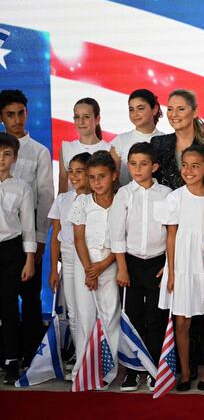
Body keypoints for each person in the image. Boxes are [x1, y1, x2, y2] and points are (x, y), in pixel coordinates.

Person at [108, 142, 171, 392]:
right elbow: (117, 234)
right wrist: (122, 268)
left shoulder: (166, 194)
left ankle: (155, 368)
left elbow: (171, 233)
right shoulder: (124, 194)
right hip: (131, 264)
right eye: (132, 163)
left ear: (154, 167)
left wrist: (168, 265)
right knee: (132, 317)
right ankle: (133, 370)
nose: (137, 168)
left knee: (156, 318)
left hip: (158, 264)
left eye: (143, 164)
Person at [1, 89, 54, 366]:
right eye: (10, 114)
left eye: (21, 113)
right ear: (1, 117)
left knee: (30, 294)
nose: (17, 119)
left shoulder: (39, 152)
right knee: (4, 298)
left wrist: (41, 238)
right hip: (4, 232)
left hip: (29, 233)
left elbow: (46, 195)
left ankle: (32, 353)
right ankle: (8, 351)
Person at [156, 146, 204, 392]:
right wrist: (171, 270)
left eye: (195, 166)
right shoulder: (174, 197)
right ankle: (185, 371)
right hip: (182, 264)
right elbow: (171, 236)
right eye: (185, 165)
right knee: (182, 322)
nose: (189, 171)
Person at [68, 151, 121, 388]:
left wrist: (103, 265)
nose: (97, 182)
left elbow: (123, 240)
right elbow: (79, 238)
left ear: (114, 176)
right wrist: (90, 269)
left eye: (102, 176)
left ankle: (107, 370)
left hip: (110, 265)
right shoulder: (82, 202)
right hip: (85, 265)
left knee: (110, 316)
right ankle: (83, 367)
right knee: (86, 316)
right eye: (92, 177)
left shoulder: (122, 201)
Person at [47, 152, 91, 379]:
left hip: (87, 257)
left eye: (79, 171)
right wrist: (54, 269)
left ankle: (87, 362)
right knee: (72, 311)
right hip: (67, 257)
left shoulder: (94, 198)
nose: (73, 176)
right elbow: (56, 235)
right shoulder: (62, 199)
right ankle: (79, 360)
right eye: (70, 171)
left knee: (86, 310)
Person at [0, 132, 36, 384]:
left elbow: (28, 227)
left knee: (9, 306)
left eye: (7, 154)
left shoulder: (22, 187)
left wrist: (30, 259)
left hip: (11, 251)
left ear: (15, 157)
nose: (1, 159)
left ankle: (12, 359)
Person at [151, 89, 204, 191]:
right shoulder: (158, 143)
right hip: (166, 205)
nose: (174, 114)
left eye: (181, 109)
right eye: (170, 109)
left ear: (195, 112)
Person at [109, 89, 164, 185]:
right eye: (131, 109)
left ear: (154, 109)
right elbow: (111, 180)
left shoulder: (166, 140)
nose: (135, 113)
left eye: (140, 108)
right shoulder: (120, 141)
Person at [59, 98, 110, 193]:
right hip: (72, 206)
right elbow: (62, 189)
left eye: (86, 117)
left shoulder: (109, 149)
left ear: (97, 119)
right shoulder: (66, 148)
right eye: (77, 117)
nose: (81, 122)